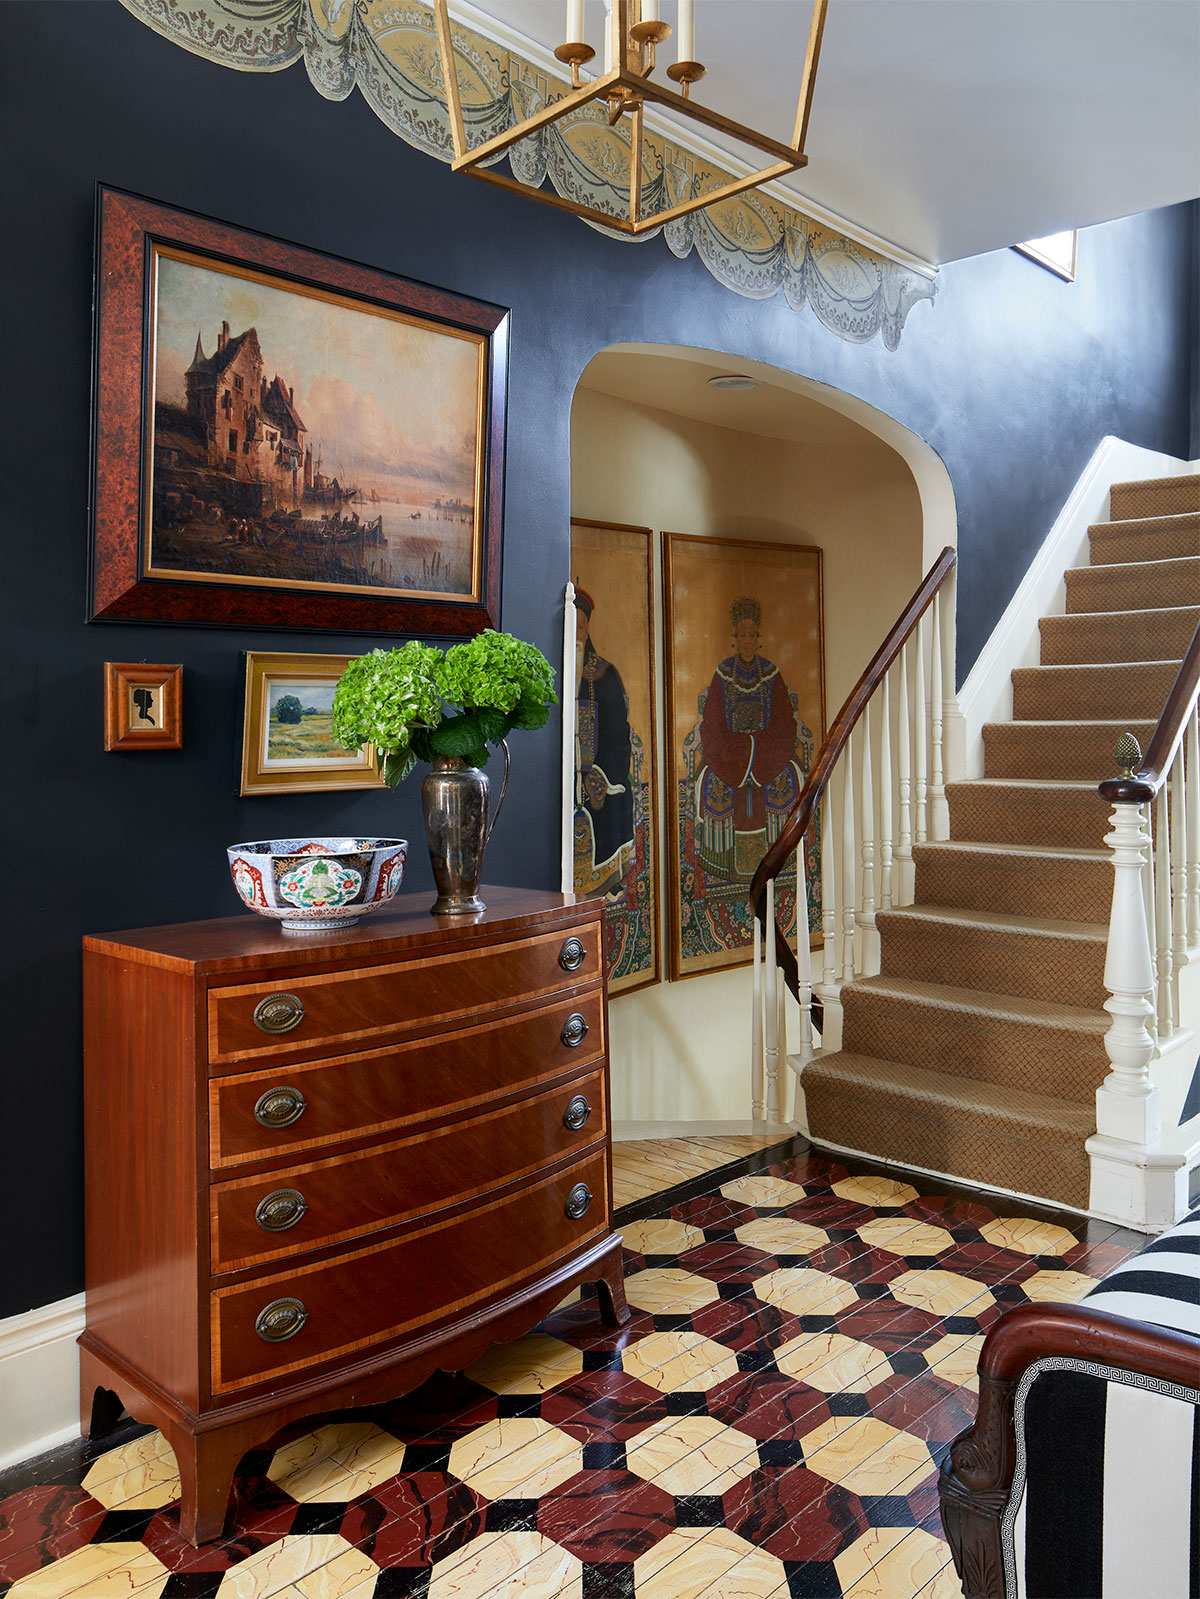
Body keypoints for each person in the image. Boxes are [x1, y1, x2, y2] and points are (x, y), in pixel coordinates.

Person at [695, 594, 804, 880]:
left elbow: (784, 722)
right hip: (729, 753)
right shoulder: (723, 674)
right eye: (741, 635)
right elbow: (712, 723)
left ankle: (780, 857)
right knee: (710, 782)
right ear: (735, 638)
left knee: (790, 778)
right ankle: (722, 864)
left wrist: (757, 747)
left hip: (768, 752)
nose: (746, 641)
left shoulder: (771, 673)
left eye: (751, 635)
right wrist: (739, 749)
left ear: (759, 638)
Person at [573, 587, 636, 897]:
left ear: (587, 630)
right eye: (571, 625)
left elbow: (618, 734)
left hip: (599, 771)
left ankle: (605, 885)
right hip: (560, 775)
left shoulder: (604, 674)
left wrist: (597, 774)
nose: (576, 633)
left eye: (581, 626)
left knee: (611, 802)